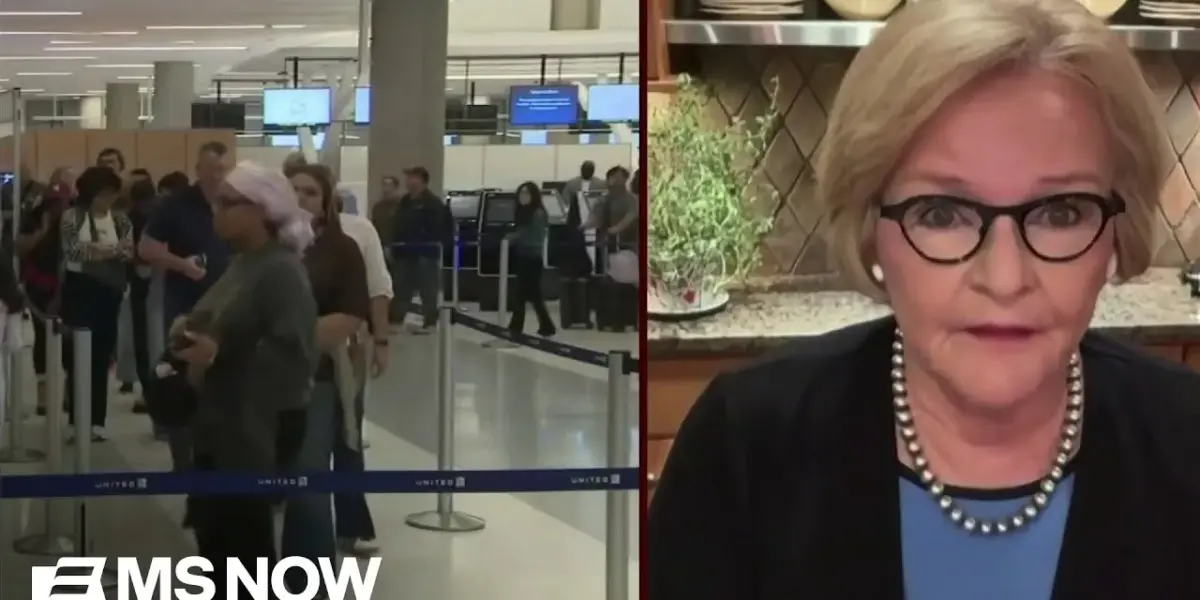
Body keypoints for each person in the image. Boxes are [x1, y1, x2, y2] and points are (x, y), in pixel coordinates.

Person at [648, 0, 1200, 597]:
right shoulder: (744, 445)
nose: (1005, 278)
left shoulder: (1187, 439)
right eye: (941, 213)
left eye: (1061, 212)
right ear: (870, 228)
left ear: (1119, 231)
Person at [173, 162, 317, 598]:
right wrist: (189, 329)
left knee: (245, 549)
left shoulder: (280, 270)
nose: (216, 212)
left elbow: (295, 355)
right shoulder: (242, 264)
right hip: (222, 426)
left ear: (260, 210)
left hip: (255, 433)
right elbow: (221, 319)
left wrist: (217, 354)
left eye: (227, 203)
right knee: (217, 545)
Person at [283, 164, 370, 591]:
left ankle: (313, 580)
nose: (301, 198)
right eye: (294, 190)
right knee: (282, 477)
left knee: (309, 474)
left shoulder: (341, 248)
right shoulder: (269, 243)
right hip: (262, 382)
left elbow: (352, 314)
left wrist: (288, 340)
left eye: (310, 192)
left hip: (316, 375)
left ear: (326, 200)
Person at [139, 141, 231, 467]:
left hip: (229, 308)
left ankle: (217, 458)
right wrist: (182, 265)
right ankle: (184, 462)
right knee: (182, 381)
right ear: (198, 169)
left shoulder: (235, 202)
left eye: (222, 169)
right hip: (186, 308)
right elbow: (146, 249)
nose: (217, 176)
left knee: (223, 382)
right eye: (211, 169)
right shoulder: (176, 204)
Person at [60, 167, 134, 441]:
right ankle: (77, 419)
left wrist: (97, 249)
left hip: (109, 291)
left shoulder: (121, 219)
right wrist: (108, 251)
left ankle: (96, 419)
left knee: (102, 355)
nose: (108, 200)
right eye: (103, 195)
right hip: (79, 290)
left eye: (112, 194)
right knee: (78, 355)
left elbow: (128, 250)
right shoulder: (72, 217)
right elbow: (73, 250)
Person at [16, 168, 72, 416]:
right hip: (39, 285)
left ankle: (70, 392)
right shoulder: (33, 215)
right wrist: (43, 231)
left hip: (69, 285)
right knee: (42, 338)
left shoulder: (78, 216)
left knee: (71, 340)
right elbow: (20, 247)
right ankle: (43, 396)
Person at [389, 166, 449, 333]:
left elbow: (439, 228)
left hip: (425, 253)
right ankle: (396, 320)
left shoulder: (432, 203)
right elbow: (397, 225)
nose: (409, 181)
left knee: (427, 288)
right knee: (401, 288)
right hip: (404, 253)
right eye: (408, 177)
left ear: (423, 181)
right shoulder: (405, 201)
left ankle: (430, 322)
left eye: (413, 177)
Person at [120, 179, 157, 411]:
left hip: (141, 284)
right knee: (147, 339)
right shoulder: (157, 217)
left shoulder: (131, 219)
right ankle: (149, 390)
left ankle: (149, 390)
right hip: (147, 284)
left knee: (144, 339)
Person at [507, 181, 555, 337]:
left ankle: (516, 327)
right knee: (532, 295)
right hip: (523, 256)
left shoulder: (537, 213)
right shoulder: (523, 212)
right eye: (521, 192)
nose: (523, 196)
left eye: (526, 193)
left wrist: (511, 238)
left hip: (531, 259)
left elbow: (531, 235)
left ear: (534, 195)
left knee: (523, 294)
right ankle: (546, 326)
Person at [560, 161, 605, 278]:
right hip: (576, 218)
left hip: (594, 218)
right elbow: (564, 200)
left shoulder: (601, 184)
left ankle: (596, 269)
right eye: (584, 169)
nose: (586, 172)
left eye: (589, 169)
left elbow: (604, 201)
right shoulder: (572, 184)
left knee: (594, 245)